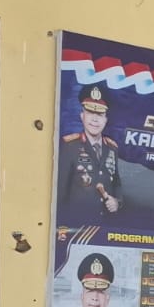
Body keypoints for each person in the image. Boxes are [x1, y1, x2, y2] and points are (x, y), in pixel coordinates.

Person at [58, 86, 122, 216]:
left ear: (106, 120)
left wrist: (117, 202)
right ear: (82, 116)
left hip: (106, 223)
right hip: (77, 223)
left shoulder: (112, 148)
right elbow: (60, 192)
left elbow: (117, 184)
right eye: (90, 113)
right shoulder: (69, 147)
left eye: (100, 114)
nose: (95, 119)